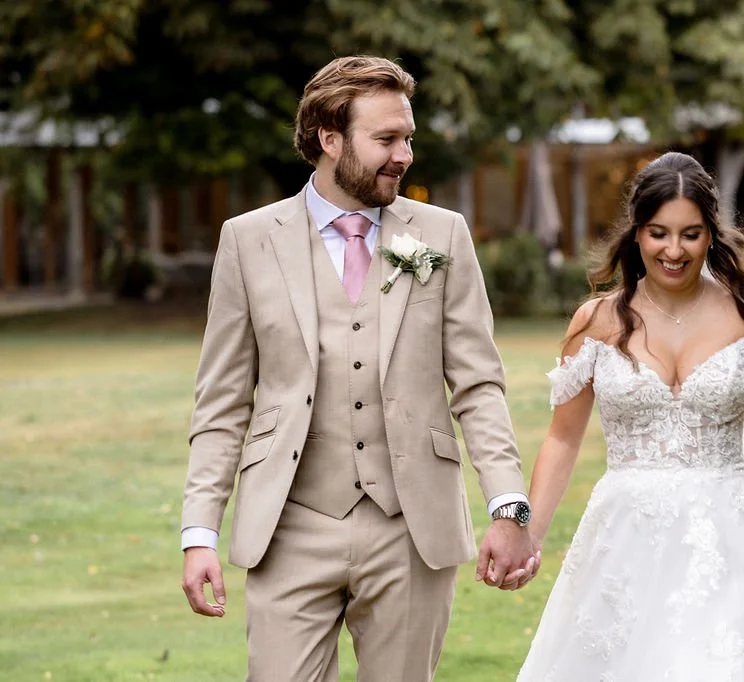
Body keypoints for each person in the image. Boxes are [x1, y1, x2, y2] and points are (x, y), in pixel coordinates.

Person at [179, 55, 536, 682]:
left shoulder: (441, 235)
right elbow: (223, 401)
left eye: (409, 138)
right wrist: (199, 532)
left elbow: (479, 384)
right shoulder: (248, 239)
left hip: (410, 526)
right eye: (387, 139)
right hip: (288, 525)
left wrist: (509, 506)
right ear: (329, 138)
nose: (404, 155)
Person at [517, 152, 744, 680]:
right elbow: (562, 440)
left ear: (711, 234)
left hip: (728, 538)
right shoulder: (594, 321)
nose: (673, 250)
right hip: (624, 538)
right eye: (658, 233)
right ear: (637, 233)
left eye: (690, 234)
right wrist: (529, 537)